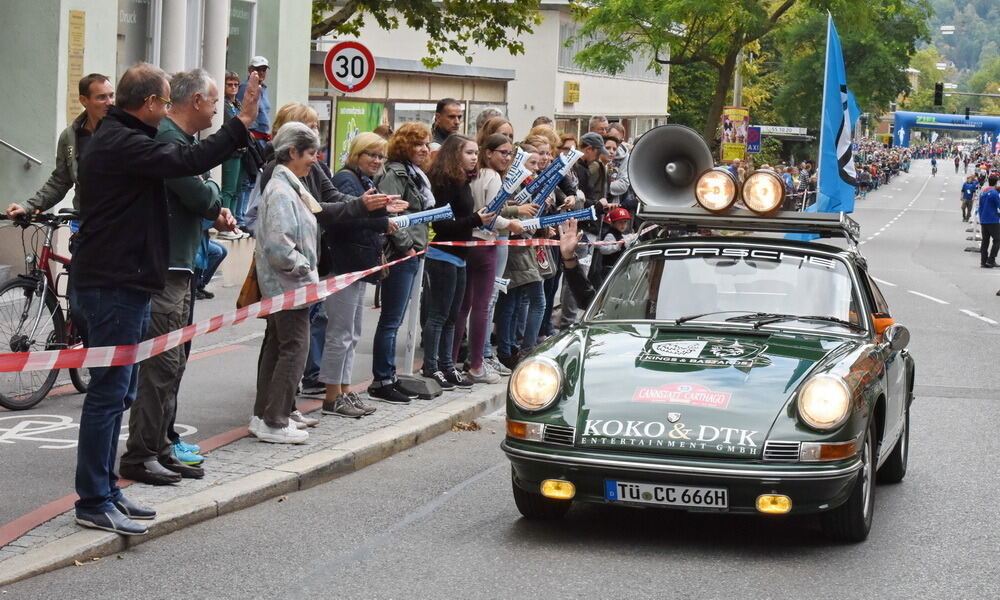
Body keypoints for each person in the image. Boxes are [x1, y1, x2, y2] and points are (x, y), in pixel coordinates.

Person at [72, 62, 260, 535]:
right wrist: (241, 124)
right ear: (152, 104)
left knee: (120, 392)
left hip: (126, 281)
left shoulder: (123, 139)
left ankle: (108, 490)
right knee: (108, 395)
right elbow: (185, 165)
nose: (168, 108)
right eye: (163, 100)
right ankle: (93, 499)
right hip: (114, 284)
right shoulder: (123, 143)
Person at [118, 68, 239, 485]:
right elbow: (200, 194)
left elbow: (203, 196)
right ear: (195, 102)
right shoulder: (171, 141)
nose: (217, 108)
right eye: (213, 100)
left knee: (173, 363)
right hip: (166, 269)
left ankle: (160, 446)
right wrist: (213, 201)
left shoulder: (181, 141)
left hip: (179, 265)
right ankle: (142, 453)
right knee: (162, 364)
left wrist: (211, 202)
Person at [250, 123, 323, 444]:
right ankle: (275, 420)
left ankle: (265, 414)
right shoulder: (282, 191)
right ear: (292, 152)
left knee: (280, 348)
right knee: (294, 349)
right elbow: (280, 248)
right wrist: (305, 268)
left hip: (287, 285)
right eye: (310, 153)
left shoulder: (287, 186)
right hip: (290, 285)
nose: (315, 160)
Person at [322, 133, 395, 418]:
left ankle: (344, 390)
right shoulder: (345, 179)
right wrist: (383, 222)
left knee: (351, 334)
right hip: (342, 265)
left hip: (356, 265)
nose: (377, 161)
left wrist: (384, 220)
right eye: (371, 155)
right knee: (339, 334)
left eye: (380, 156)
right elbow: (343, 221)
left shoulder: (362, 181)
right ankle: (332, 396)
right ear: (356, 154)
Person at [368, 122, 434, 404]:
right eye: (417, 144)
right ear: (403, 145)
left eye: (426, 143)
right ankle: (382, 379)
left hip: (415, 250)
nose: (424, 149)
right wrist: (407, 246)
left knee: (396, 318)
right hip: (401, 253)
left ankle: (390, 377)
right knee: (391, 320)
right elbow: (390, 213)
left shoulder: (415, 174)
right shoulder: (396, 173)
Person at [422, 135, 493, 389]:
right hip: (443, 255)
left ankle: (447, 364)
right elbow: (441, 225)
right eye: (469, 153)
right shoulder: (444, 183)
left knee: (453, 315)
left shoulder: (463, 180)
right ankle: (431, 367)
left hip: (461, 256)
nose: (475, 157)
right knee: (439, 314)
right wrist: (476, 220)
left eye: (476, 152)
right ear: (455, 154)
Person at [7, 73, 114, 219]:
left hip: (119, 223)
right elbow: (60, 182)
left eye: (111, 96)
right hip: (85, 222)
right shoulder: (70, 137)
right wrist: (28, 207)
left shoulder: (123, 132)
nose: (109, 102)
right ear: (84, 100)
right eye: (101, 97)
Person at [471, 134, 535, 376]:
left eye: (510, 154)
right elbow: (489, 214)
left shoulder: (484, 175)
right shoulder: (490, 176)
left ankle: (482, 356)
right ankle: (481, 358)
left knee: (483, 303)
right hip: (487, 241)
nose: (507, 158)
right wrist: (511, 223)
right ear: (488, 153)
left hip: (483, 241)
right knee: (486, 303)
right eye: (503, 152)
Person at [218, 70, 248, 238]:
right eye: (229, 84)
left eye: (236, 84)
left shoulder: (237, 104)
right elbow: (235, 124)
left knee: (238, 189)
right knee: (228, 189)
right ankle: (226, 225)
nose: (234, 87)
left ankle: (234, 221)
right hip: (231, 151)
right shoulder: (223, 105)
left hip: (241, 151)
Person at [978, 175, 1000, 268]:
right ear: (996, 182)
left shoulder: (983, 192)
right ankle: (991, 260)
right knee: (997, 240)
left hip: (984, 219)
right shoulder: (995, 193)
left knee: (985, 241)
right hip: (993, 219)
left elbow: (980, 206)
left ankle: (983, 261)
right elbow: (999, 207)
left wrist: (981, 218)